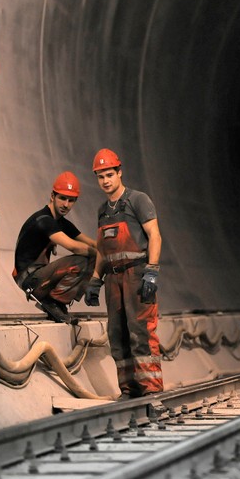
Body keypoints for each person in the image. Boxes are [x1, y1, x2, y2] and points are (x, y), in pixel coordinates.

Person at [84, 148, 163, 398]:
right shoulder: (102, 211)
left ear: (120, 172)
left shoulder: (138, 200)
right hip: (113, 279)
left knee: (141, 332)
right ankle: (129, 389)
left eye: (109, 174)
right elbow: (102, 249)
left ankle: (150, 389)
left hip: (136, 274)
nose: (105, 181)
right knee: (117, 335)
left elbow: (154, 235)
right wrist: (96, 279)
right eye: (100, 176)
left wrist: (151, 272)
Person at [13, 171, 97, 324]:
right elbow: (74, 247)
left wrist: (113, 252)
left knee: (92, 256)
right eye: (62, 198)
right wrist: (98, 255)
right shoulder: (44, 220)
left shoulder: (61, 222)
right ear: (52, 196)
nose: (66, 204)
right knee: (82, 261)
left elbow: (91, 243)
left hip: (38, 276)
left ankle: (57, 303)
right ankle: (53, 302)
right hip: (29, 279)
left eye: (71, 200)